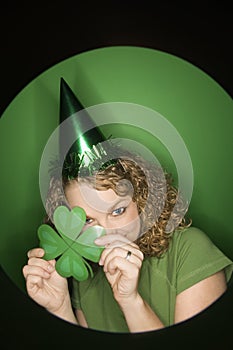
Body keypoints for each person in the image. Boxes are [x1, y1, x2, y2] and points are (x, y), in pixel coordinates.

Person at [22, 79, 233, 333]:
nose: (107, 234)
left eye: (118, 211)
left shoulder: (190, 250)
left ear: (142, 200)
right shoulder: (85, 277)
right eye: (88, 220)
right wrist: (61, 308)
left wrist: (130, 301)